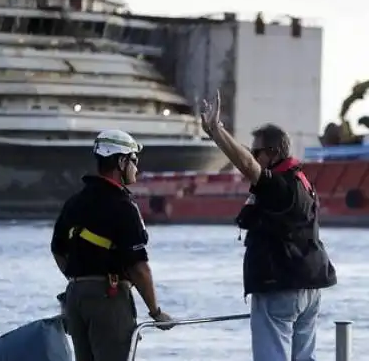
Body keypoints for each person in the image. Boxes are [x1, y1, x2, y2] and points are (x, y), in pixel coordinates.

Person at [201, 90, 337, 361]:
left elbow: (247, 166)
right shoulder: (300, 182)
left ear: (273, 152)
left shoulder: (278, 185)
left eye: (257, 151)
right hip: (308, 286)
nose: (253, 155)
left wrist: (216, 131)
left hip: (280, 286)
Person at [51, 129, 174, 361]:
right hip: (109, 298)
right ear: (121, 161)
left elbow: (57, 250)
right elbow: (138, 267)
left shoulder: (74, 202)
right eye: (134, 161)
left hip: (75, 298)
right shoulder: (123, 206)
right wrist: (156, 312)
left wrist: (80, 280)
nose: (136, 168)